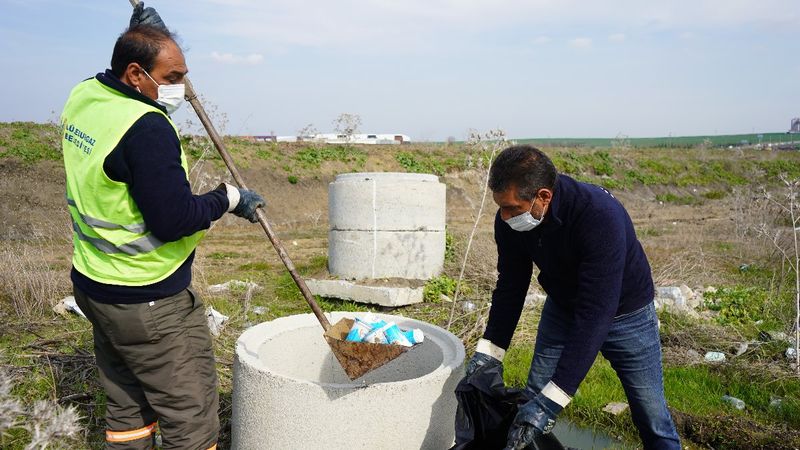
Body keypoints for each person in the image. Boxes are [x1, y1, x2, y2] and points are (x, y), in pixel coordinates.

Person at [61, 4, 264, 449]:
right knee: (190, 416)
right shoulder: (147, 129)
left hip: (95, 284)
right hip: (148, 300)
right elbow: (174, 220)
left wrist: (148, 35)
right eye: (172, 77)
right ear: (135, 74)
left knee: (127, 403)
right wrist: (227, 198)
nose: (181, 88)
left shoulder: (86, 96)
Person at [464, 145, 681, 450]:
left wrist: (553, 401)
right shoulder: (511, 221)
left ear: (543, 196)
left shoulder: (599, 216)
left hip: (626, 315)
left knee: (651, 415)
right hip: (563, 306)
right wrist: (490, 352)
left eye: (512, 208)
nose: (505, 216)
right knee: (532, 401)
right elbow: (511, 285)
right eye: (500, 207)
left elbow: (596, 312)